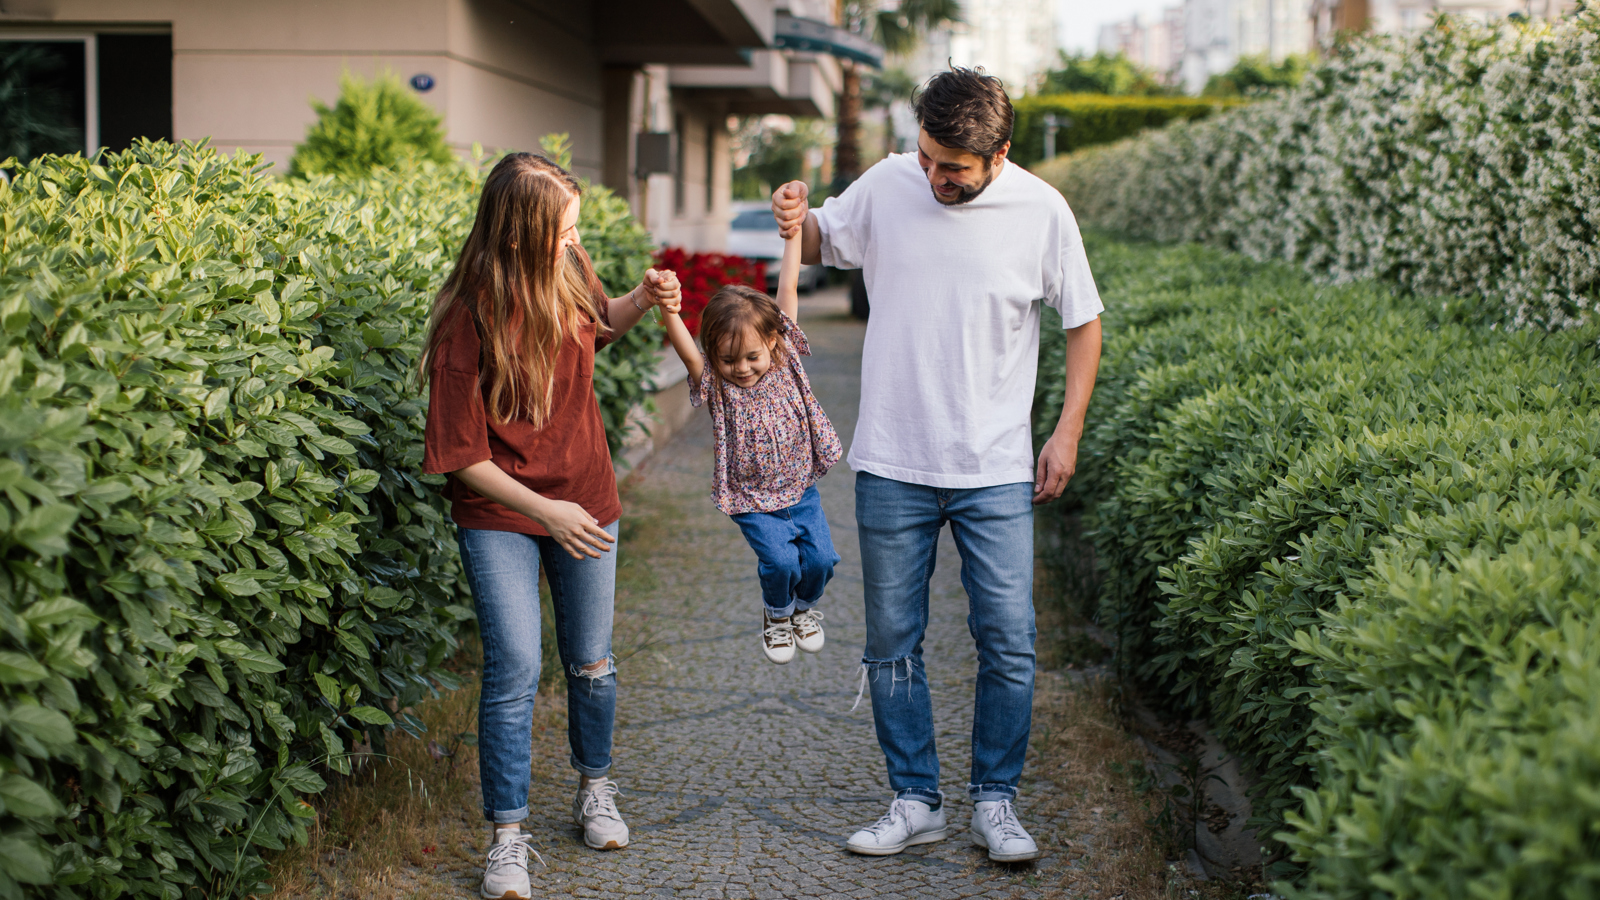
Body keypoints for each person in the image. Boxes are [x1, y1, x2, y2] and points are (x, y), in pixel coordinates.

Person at [771, 67, 1104, 862]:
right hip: (894, 462)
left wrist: (1066, 432)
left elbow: (1083, 322)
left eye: (952, 168)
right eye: (925, 158)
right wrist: (793, 212)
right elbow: (820, 236)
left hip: (995, 467)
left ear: (999, 154)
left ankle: (996, 802)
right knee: (892, 642)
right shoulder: (890, 182)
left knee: (1009, 640)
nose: (933, 177)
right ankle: (915, 799)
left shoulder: (1042, 211)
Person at [419, 152, 682, 900]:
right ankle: (507, 840)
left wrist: (642, 298)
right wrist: (545, 512)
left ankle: (594, 789)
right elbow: (461, 457)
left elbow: (599, 328)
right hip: (501, 511)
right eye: (564, 231)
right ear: (516, 236)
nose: (576, 241)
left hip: (584, 496)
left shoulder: (566, 266)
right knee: (514, 670)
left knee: (592, 662)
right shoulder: (466, 319)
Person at [661, 210, 844, 664]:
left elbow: (788, 289)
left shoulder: (784, 356)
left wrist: (792, 237)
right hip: (751, 498)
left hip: (801, 489)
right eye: (728, 360)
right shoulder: (718, 385)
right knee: (780, 562)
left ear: (774, 341)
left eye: (751, 357)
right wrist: (667, 308)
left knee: (821, 561)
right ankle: (777, 614)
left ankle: (803, 609)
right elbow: (688, 353)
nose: (741, 368)